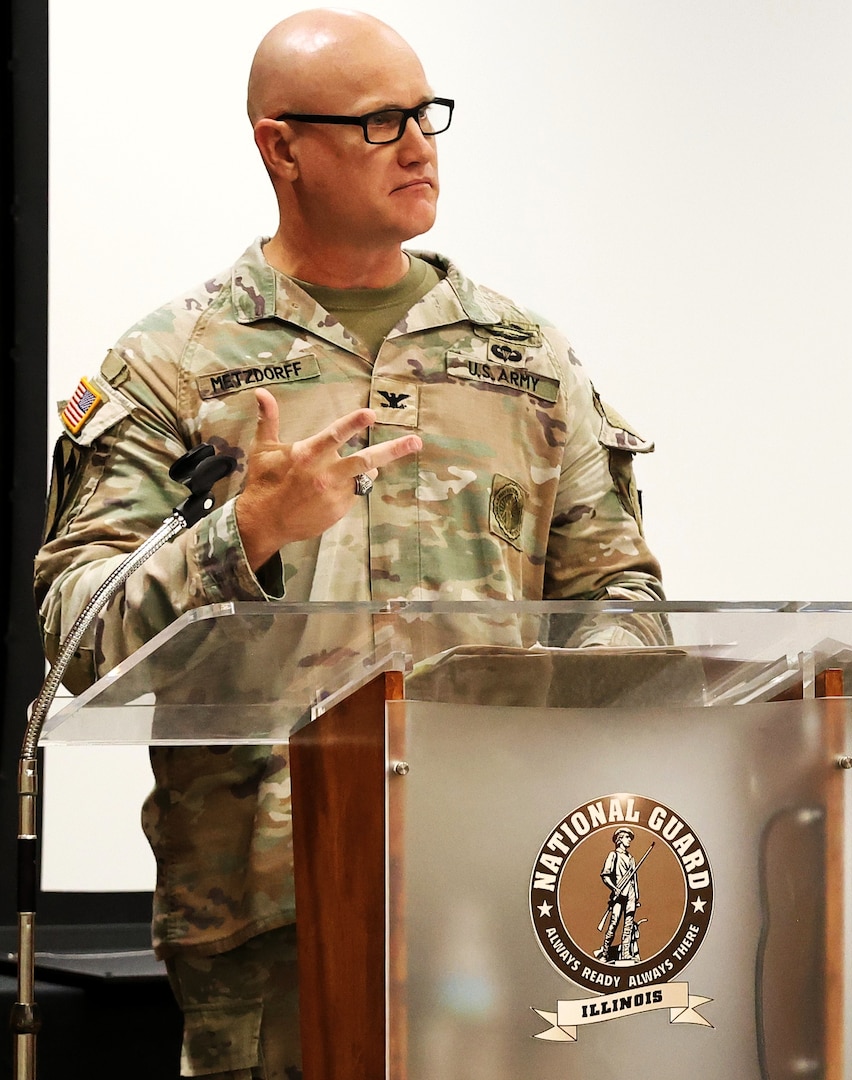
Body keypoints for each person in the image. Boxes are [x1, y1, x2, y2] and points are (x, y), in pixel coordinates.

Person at [33, 8, 667, 1078]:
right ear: (282, 145)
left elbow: (622, 595)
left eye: (426, 114)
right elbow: (73, 629)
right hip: (271, 914)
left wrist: (577, 702)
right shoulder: (171, 364)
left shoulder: (525, 359)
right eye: (381, 122)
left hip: (505, 890)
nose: (420, 145)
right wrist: (245, 533)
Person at [596, 827, 643, 964]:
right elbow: (605, 875)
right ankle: (605, 953)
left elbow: (634, 879)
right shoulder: (613, 855)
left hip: (631, 895)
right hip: (619, 894)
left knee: (628, 926)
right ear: (620, 839)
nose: (629, 840)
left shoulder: (631, 858)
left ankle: (626, 954)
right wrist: (614, 888)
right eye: (627, 837)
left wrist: (637, 897)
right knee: (614, 923)